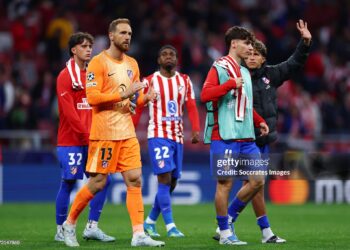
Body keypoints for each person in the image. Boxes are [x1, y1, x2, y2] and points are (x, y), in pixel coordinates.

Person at [61, 18, 165, 247]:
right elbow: (93, 98)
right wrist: (124, 94)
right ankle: (69, 224)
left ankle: (138, 234)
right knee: (97, 182)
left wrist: (146, 98)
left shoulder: (133, 64)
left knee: (135, 180)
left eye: (130, 33)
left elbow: (134, 101)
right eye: (123, 33)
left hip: (127, 131)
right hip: (105, 132)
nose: (128, 37)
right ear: (111, 35)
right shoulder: (98, 63)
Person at [222, 19, 312, 244]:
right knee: (253, 184)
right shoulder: (238, 76)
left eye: (256, 55)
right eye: (249, 54)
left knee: (256, 186)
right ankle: (229, 222)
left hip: (263, 140)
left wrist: (305, 42)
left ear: (263, 58)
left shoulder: (271, 75)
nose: (251, 58)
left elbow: (294, 64)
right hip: (244, 139)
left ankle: (263, 231)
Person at [200, 26, 269, 245]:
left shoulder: (246, 72)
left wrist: (259, 121)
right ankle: (225, 233)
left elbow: (245, 104)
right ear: (234, 44)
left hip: (246, 137)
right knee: (225, 184)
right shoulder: (219, 67)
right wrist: (230, 84)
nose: (250, 48)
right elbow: (205, 94)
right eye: (247, 43)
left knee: (257, 181)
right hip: (225, 135)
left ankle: (228, 218)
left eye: (252, 44)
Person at [132, 45, 200, 237]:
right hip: (158, 135)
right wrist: (131, 129)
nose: (168, 57)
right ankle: (171, 227)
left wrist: (195, 129)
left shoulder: (184, 81)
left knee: (173, 181)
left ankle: (150, 222)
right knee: (164, 178)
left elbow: (192, 106)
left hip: (177, 137)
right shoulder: (149, 81)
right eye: (164, 54)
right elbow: (138, 108)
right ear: (158, 60)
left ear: (177, 60)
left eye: (172, 54)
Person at [55, 32, 114, 243]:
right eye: (84, 46)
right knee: (69, 182)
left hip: (94, 139)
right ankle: (61, 229)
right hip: (71, 140)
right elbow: (69, 112)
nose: (89, 49)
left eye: (90, 46)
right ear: (73, 50)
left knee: (102, 181)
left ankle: (92, 226)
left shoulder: (92, 75)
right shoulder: (64, 76)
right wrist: (86, 135)